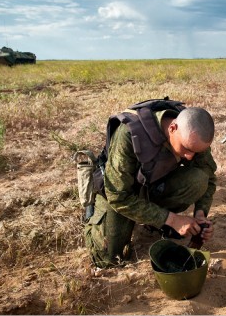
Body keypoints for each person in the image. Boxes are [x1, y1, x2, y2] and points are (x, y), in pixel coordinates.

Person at [84, 101, 217, 268]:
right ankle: (91, 217)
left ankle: (152, 221)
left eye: (195, 152)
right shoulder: (130, 134)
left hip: (153, 184)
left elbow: (209, 176)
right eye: (186, 149)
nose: (189, 157)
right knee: (107, 258)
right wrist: (171, 219)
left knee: (199, 179)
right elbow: (118, 196)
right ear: (172, 128)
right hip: (121, 193)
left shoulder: (193, 134)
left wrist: (200, 214)